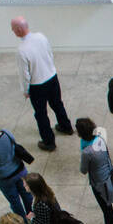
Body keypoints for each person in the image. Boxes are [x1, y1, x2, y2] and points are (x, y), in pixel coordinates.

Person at [11, 17, 73, 152]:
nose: (12, 31)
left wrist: (25, 90)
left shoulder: (21, 50)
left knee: (41, 114)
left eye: (13, 29)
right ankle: (66, 126)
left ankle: (49, 142)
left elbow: (24, 74)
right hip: (52, 77)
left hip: (37, 85)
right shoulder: (41, 37)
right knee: (57, 103)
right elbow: (50, 54)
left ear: (19, 29)